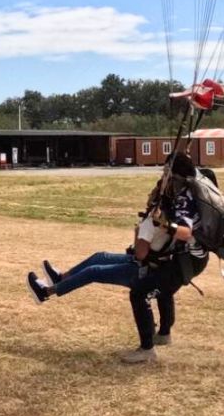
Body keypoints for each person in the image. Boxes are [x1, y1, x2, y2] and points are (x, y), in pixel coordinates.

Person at [25, 153, 206, 363]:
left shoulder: (176, 204)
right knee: (101, 258)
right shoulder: (170, 202)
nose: (160, 181)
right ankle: (61, 278)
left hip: (165, 262)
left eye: (165, 174)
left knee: (138, 292)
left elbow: (177, 236)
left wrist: (158, 227)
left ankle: (46, 292)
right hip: (160, 259)